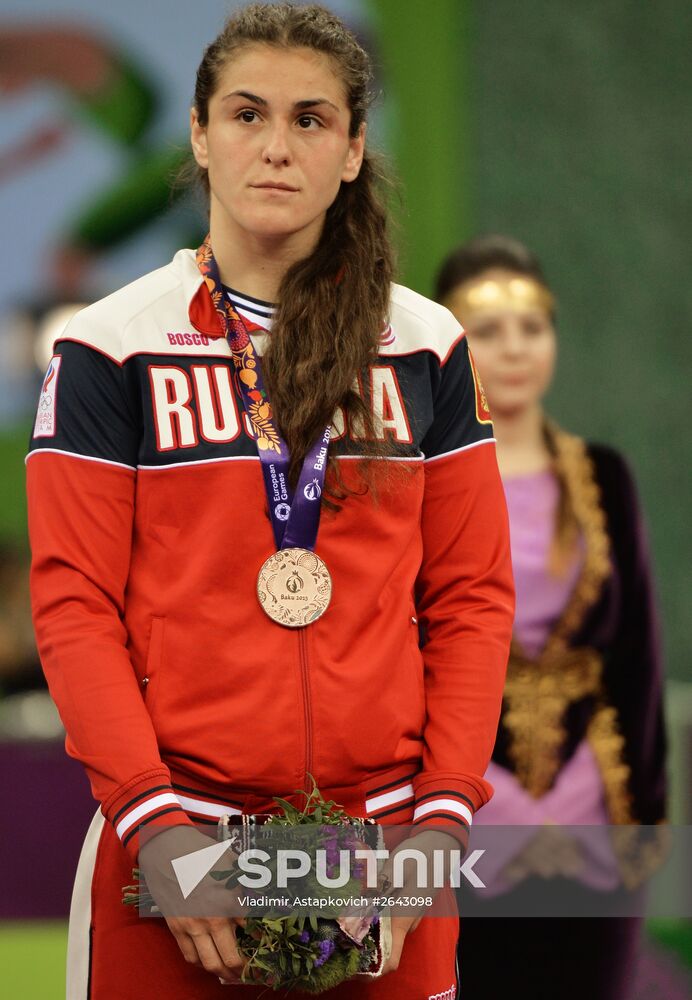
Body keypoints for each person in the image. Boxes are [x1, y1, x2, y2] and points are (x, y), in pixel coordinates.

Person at [26, 7, 514, 999]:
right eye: (247, 115)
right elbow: (75, 607)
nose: (276, 147)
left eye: (310, 119)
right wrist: (155, 827)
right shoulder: (110, 346)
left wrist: (435, 826)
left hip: (383, 865)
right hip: (173, 848)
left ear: (351, 150)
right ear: (200, 136)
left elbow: (471, 599)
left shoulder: (423, 348)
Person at [435, 234, 667, 1000]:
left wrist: (643, 820)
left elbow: (638, 654)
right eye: (487, 331)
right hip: (461, 811)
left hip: (591, 810)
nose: (514, 350)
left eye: (532, 327)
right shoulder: (417, 485)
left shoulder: (603, 475)